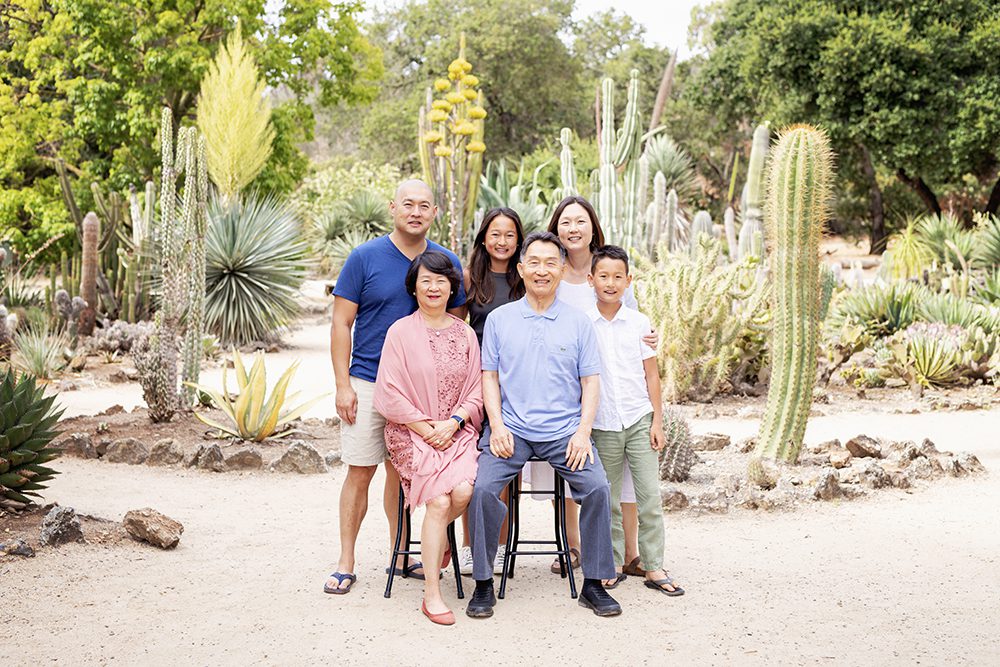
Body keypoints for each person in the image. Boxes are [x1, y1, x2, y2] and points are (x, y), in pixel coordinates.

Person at [466, 231, 621, 619]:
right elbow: (489, 378)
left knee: (598, 488)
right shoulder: (501, 320)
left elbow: (590, 382)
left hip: (564, 433)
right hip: (511, 430)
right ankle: (483, 583)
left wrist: (582, 432)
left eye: (551, 263)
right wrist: (497, 427)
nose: (542, 270)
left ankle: (593, 584)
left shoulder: (578, 323)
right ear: (521, 269)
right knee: (483, 489)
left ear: (562, 268)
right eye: (533, 262)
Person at [324, 180, 466, 596]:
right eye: (408, 204)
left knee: (400, 475)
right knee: (360, 470)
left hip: (424, 395)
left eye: (424, 205)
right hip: (368, 381)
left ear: (435, 212)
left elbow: (456, 329)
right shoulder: (364, 257)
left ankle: (400, 554)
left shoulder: (444, 261)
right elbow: (340, 323)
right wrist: (342, 385)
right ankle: (346, 560)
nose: (416, 212)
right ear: (392, 208)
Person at [516, 195, 654, 578]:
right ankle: (574, 545)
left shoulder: (608, 269)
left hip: (613, 387)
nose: (572, 229)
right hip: (563, 388)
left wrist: (652, 342)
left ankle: (630, 550)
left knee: (620, 474)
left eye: (580, 221)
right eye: (565, 222)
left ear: (593, 225)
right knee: (571, 470)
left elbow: (635, 322)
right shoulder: (550, 273)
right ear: (555, 229)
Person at [374, 251, 483, 625]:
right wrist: (426, 428)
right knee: (438, 503)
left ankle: (441, 544)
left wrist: (451, 424)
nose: (434, 287)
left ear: (452, 286)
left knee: (464, 493)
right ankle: (432, 594)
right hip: (410, 434)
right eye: (426, 280)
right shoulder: (400, 332)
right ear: (414, 287)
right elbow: (389, 392)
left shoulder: (465, 333)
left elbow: (476, 390)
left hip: (457, 432)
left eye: (441, 280)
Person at [587, 245, 684, 596]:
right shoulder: (584, 324)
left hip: (639, 418)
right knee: (609, 497)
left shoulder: (640, 323)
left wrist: (657, 421)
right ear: (591, 280)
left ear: (628, 281)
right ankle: (612, 561)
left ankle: (654, 564)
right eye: (603, 276)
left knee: (649, 497)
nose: (610, 283)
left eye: (617, 277)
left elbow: (652, 376)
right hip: (603, 422)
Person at [456, 207, 526, 576]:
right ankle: (470, 547)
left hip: (517, 384)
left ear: (519, 241)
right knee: (477, 471)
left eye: (510, 235)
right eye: (495, 234)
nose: (502, 241)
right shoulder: (470, 278)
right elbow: (453, 330)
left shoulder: (526, 278)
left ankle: (499, 548)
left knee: (505, 471)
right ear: (484, 237)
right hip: (477, 383)